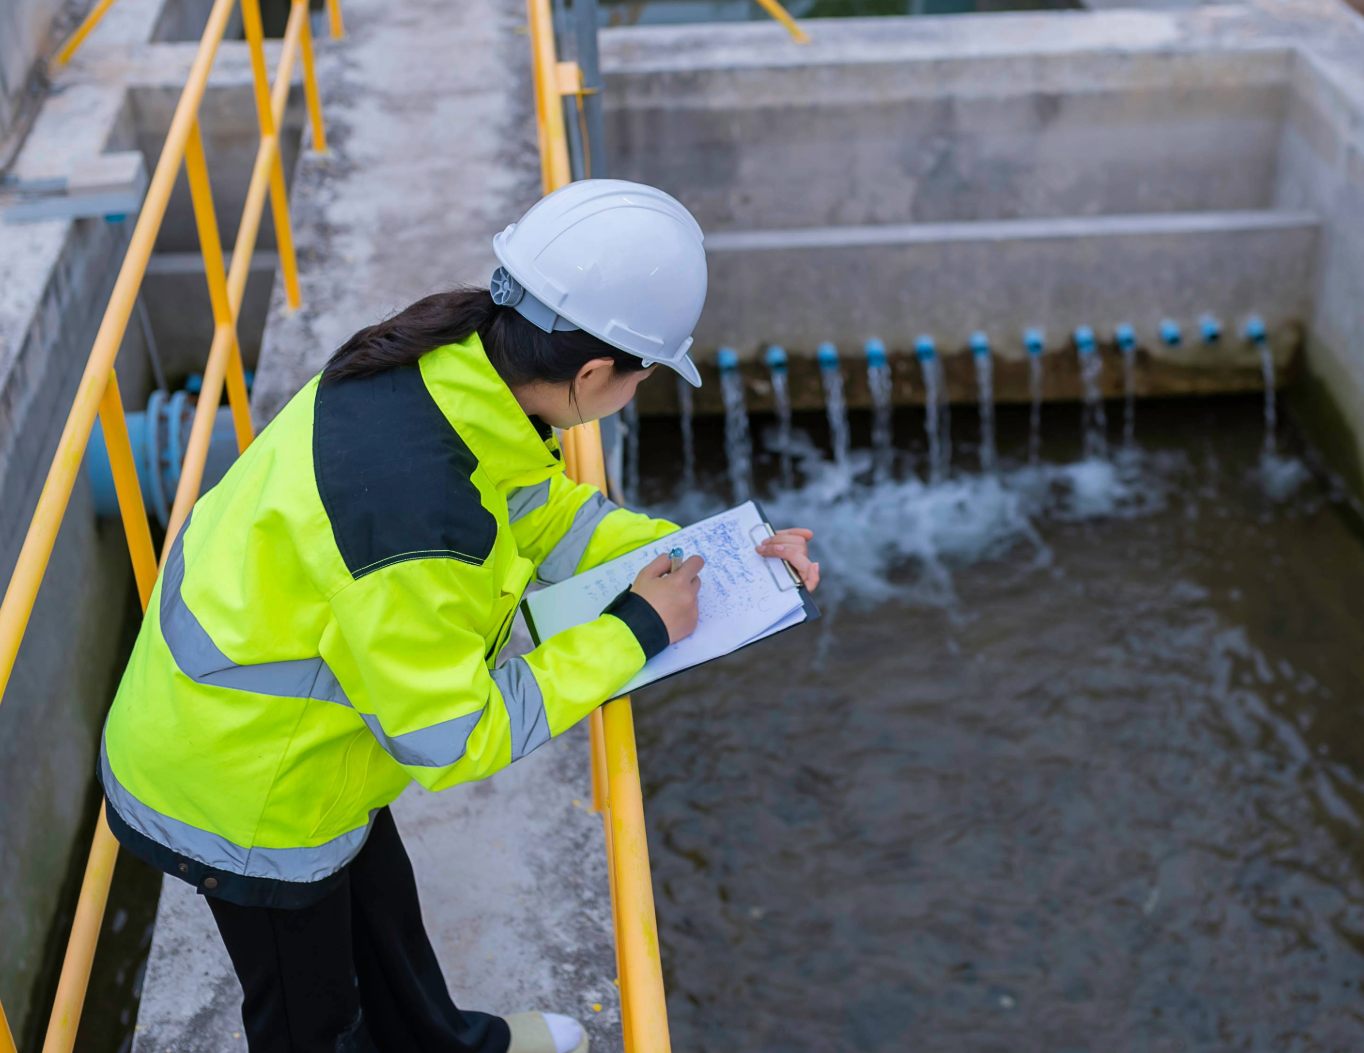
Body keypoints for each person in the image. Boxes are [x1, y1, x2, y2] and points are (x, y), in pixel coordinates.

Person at [97, 180, 821, 1053]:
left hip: (289, 738)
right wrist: (633, 630)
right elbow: (455, 735)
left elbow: (541, 512)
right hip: (242, 786)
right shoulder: (417, 525)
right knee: (308, 1019)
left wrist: (710, 554)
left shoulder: (448, 368)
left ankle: (446, 1045)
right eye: (646, 374)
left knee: (383, 918)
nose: (639, 387)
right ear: (594, 375)